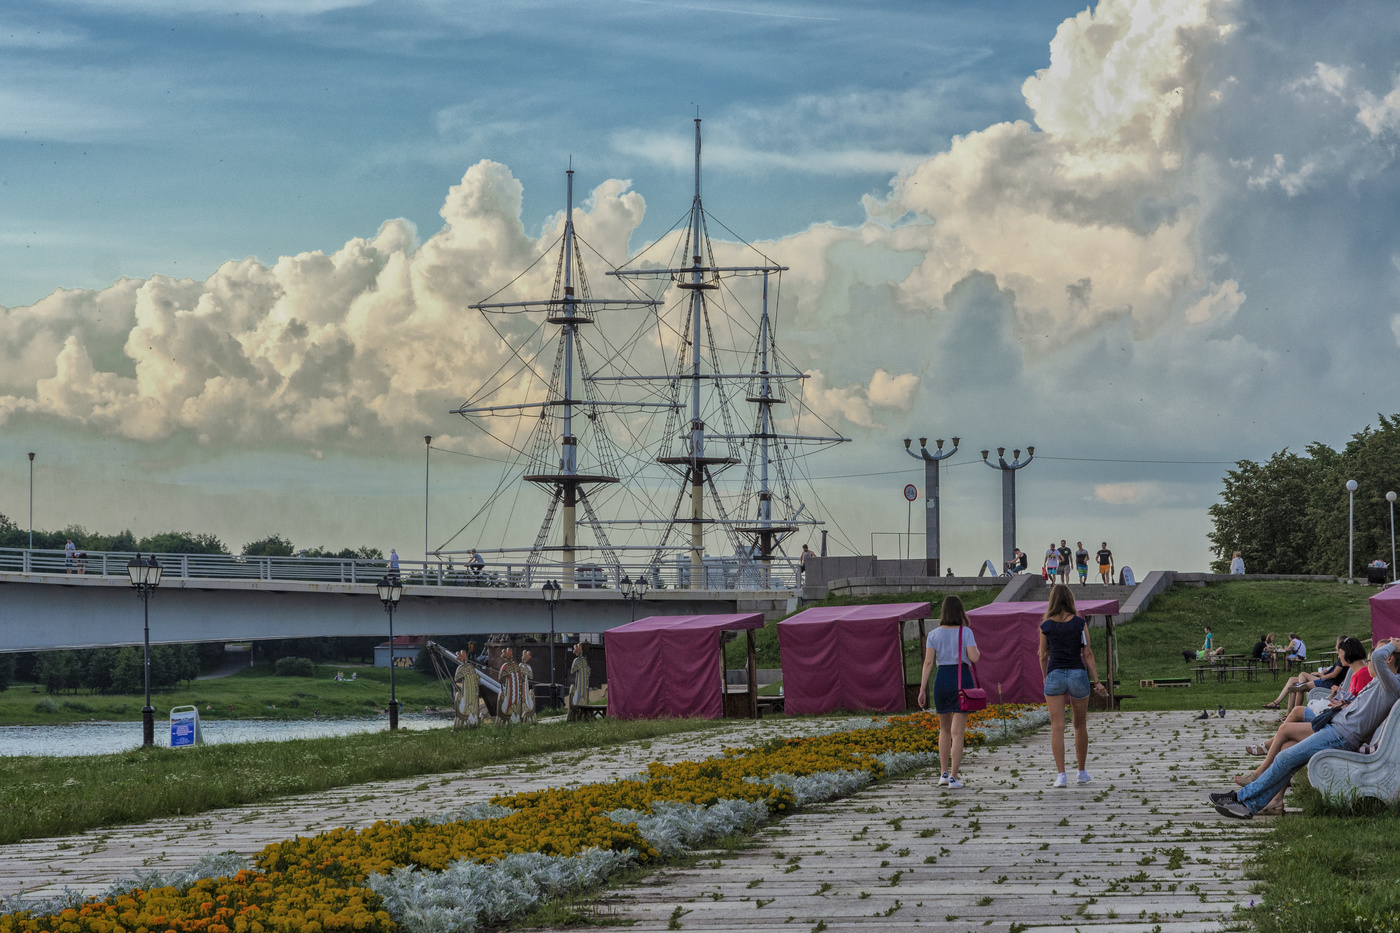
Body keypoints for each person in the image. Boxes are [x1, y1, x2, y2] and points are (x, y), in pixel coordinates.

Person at [1212, 638, 1400, 819]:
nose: (1369, 661)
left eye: (1372, 656)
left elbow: (1376, 659)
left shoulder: (1391, 683)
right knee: (1286, 755)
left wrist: (1392, 645)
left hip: (1341, 735)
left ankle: (1243, 800)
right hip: (1337, 730)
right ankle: (1247, 802)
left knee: (1285, 757)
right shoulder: (1383, 682)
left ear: (1389, 658)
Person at [1038, 583, 1109, 786]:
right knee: (1080, 725)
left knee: (1057, 727)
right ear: (1070, 600)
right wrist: (1096, 681)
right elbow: (1087, 653)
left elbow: (1043, 655)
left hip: (1055, 675)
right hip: (1078, 674)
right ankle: (1082, 771)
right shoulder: (1080, 623)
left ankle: (1061, 775)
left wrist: (1045, 676)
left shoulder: (1046, 626)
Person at [916, 595, 981, 790]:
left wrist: (922, 689)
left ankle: (943, 773)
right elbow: (974, 657)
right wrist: (975, 651)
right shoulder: (966, 631)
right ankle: (954, 777)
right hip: (962, 680)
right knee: (958, 733)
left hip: (941, 680)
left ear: (943, 612)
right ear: (960, 612)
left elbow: (928, 663)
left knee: (944, 730)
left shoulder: (934, 634)